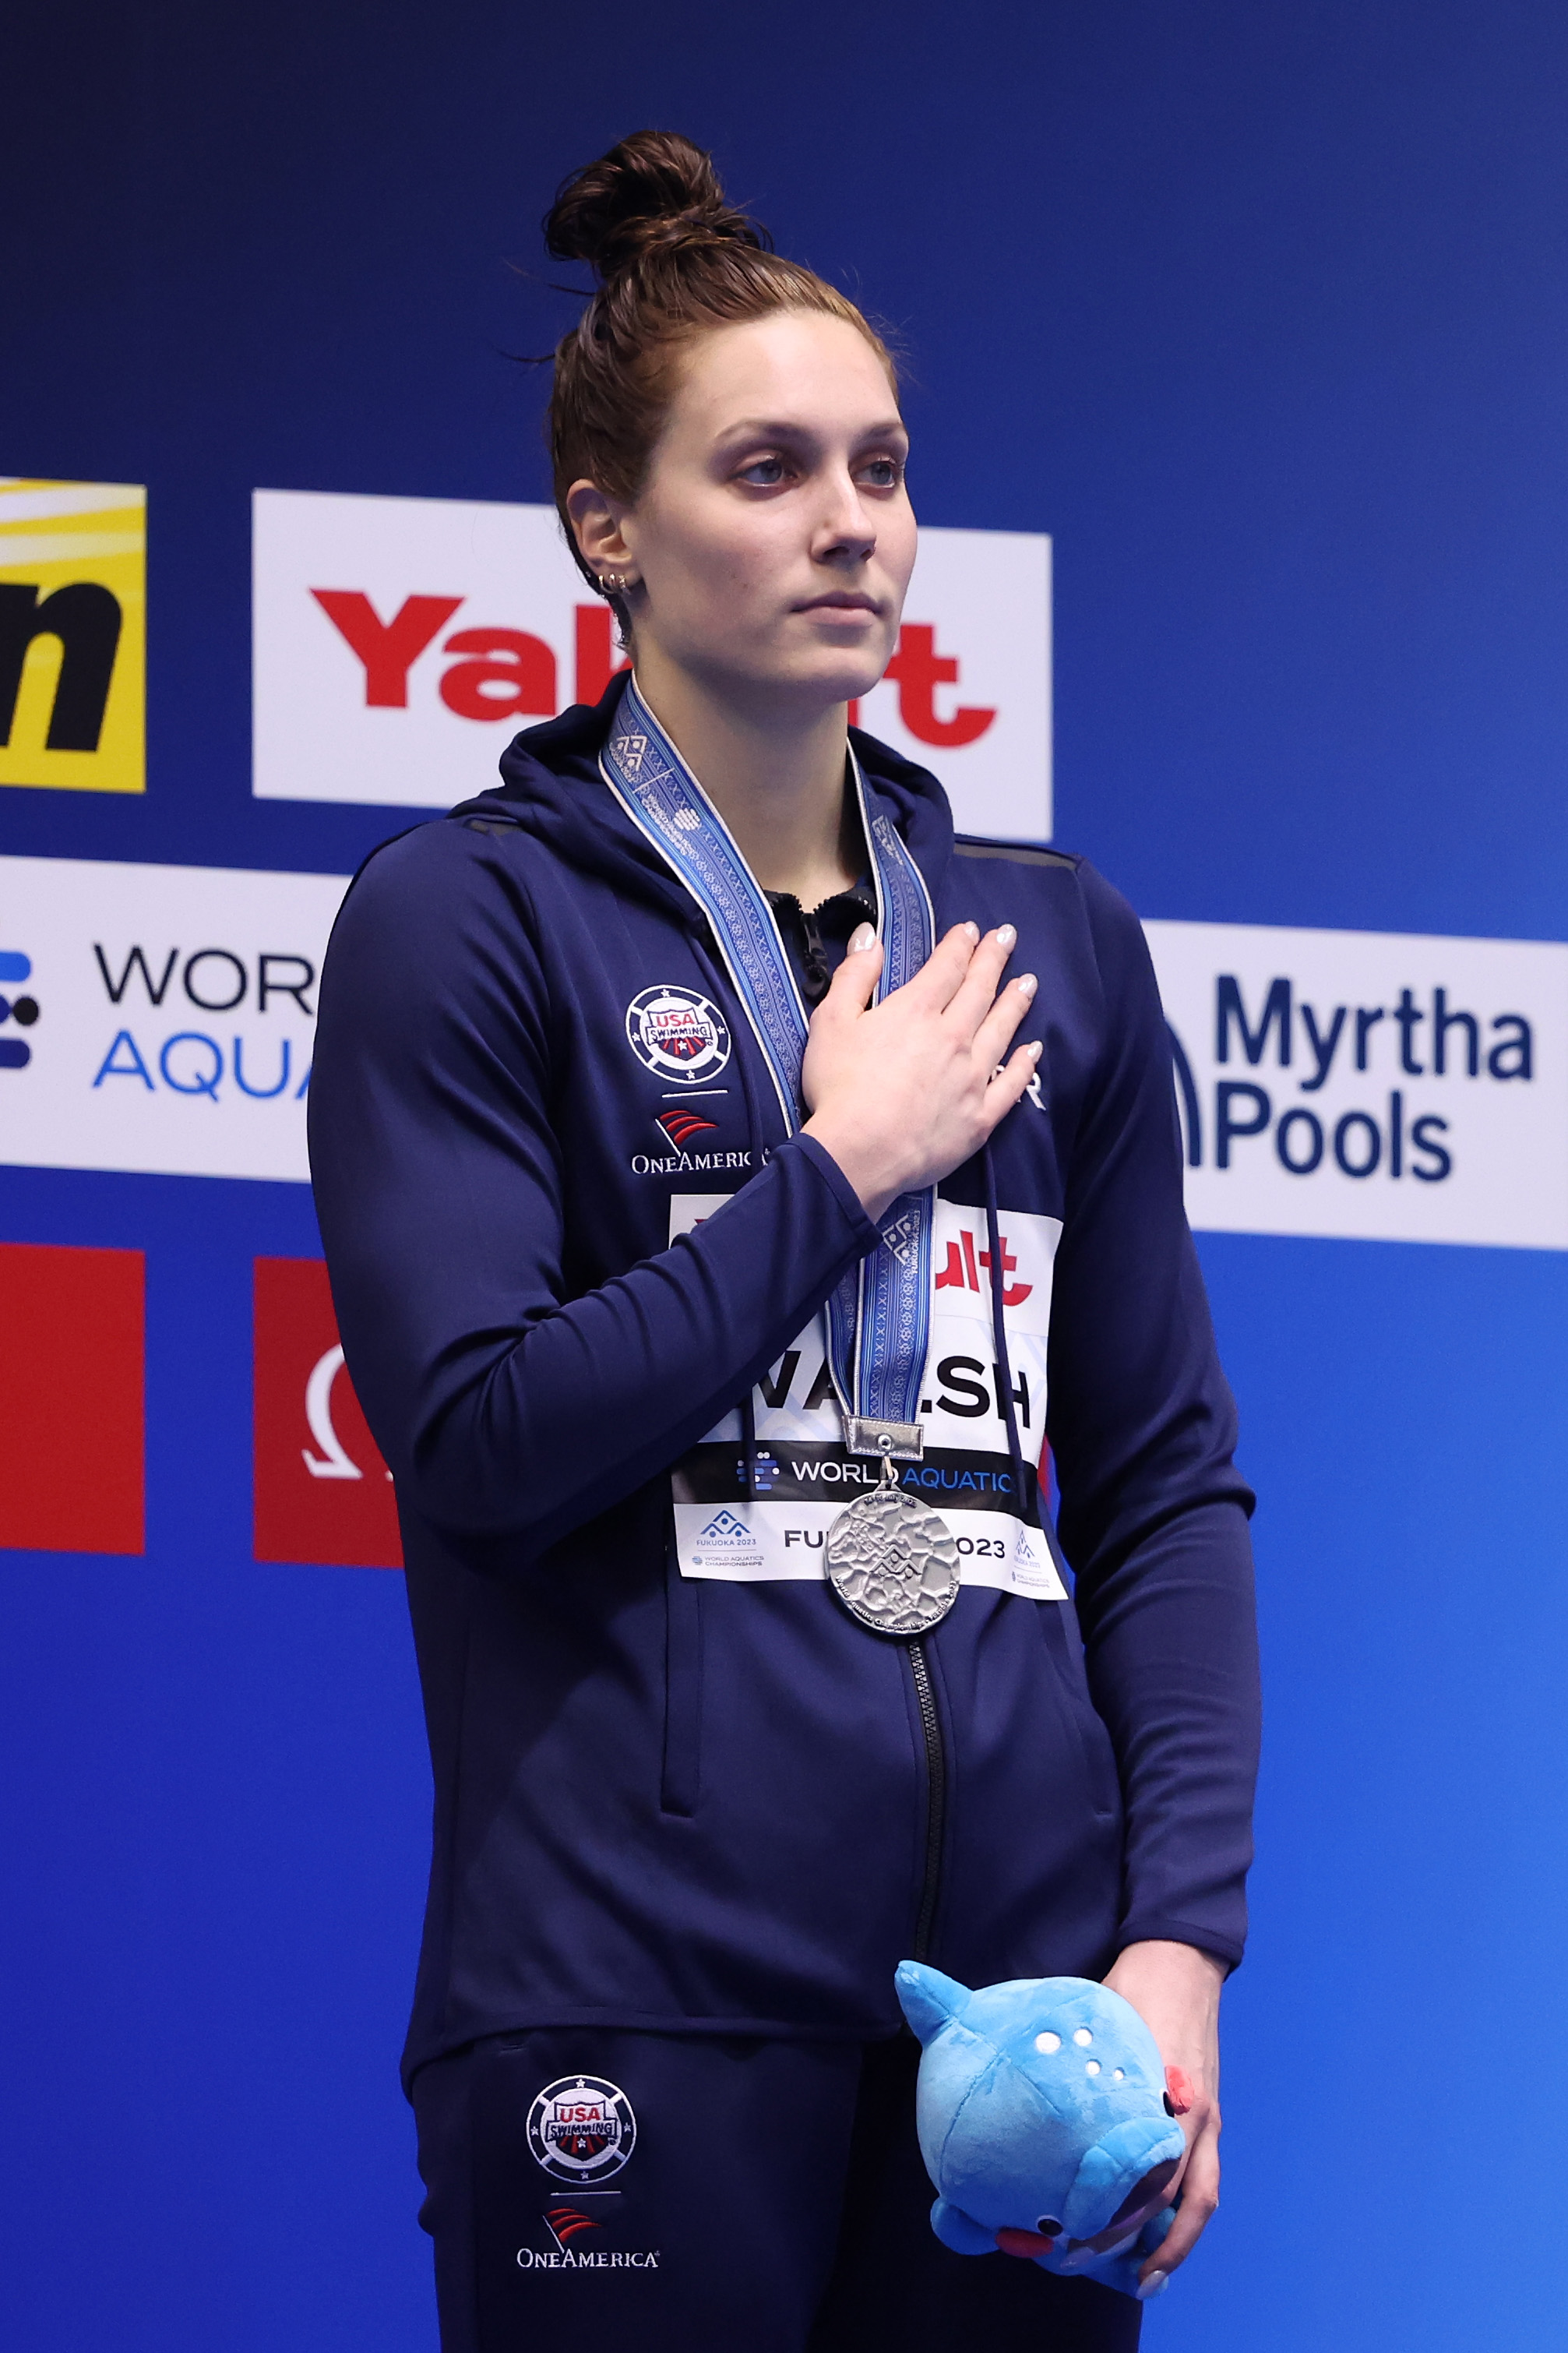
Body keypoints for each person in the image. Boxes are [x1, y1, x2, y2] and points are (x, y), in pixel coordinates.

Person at [308, 130, 1260, 2353]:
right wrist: (837, 1172)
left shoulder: (1053, 947)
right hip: (625, 1992)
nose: (851, 518)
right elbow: (473, 1436)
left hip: (1019, 2039)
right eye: (769, 466)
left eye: (885, 465)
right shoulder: (465, 919)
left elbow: (1159, 1494)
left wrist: (1174, 1944)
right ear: (607, 530)